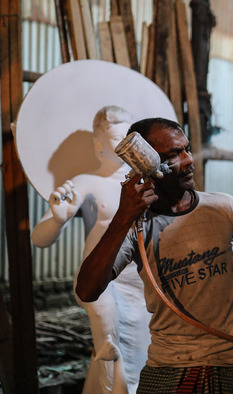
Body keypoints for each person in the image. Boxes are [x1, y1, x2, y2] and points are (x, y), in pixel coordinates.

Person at [75, 117, 233, 393]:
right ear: (145, 166)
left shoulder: (224, 208)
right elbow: (87, 290)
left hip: (232, 365)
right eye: (172, 155)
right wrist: (123, 216)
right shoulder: (136, 226)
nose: (187, 160)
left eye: (186, 149)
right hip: (168, 369)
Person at [32, 106, 151, 393]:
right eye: (114, 137)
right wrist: (58, 220)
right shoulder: (87, 182)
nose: (123, 142)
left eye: (128, 135)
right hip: (102, 278)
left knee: (144, 353)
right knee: (110, 348)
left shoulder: (145, 181)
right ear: (98, 143)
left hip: (143, 282)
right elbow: (40, 238)